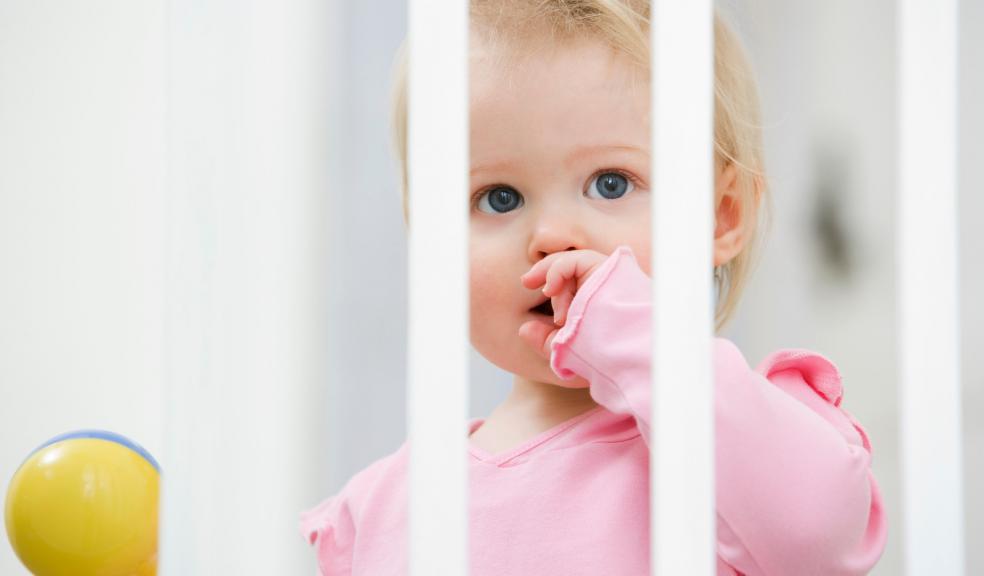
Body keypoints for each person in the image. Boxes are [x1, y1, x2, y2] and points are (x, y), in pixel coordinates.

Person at [301, 2, 888, 574]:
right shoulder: (381, 510)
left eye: (611, 184)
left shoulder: (750, 451)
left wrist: (629, 326)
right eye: (497, 197)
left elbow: (818, 538)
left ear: (723, 216)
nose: (552, 235)